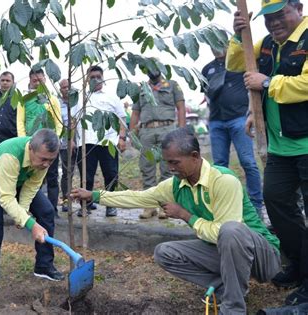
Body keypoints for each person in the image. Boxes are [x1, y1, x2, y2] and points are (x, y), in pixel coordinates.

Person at [70, 127, 281, 315]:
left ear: (195, 156)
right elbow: (139, 197)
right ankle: (226, 287)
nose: (170, 168)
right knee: (165, 253)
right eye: (167, 162)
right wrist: (96, 195)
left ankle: (233, 308)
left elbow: (222, 233)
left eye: (175, 162)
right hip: (226, 255)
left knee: (230, 230)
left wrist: (185, 215)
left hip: (262, 257)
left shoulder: (223, 181)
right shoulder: (175, 185)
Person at [228, 0, 308, 306]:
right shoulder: (268, 45)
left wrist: (268, 84)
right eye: (267, 18)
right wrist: (238, 36)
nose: (273, 22)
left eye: (280, 14)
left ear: (297, 7)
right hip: (281, 148)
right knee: (276, 204)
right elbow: (237, 64)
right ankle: (300, 267)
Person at [0, 128, 64, 291]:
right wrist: (30, 224)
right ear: (31, 148)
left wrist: (22, 214)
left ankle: (43, 266)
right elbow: (6, 198)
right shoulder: (10, 156)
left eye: (51, 161)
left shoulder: (44, 158)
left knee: (46, 211)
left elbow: (31, 186)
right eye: (44, 159)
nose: (46, 164)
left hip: (19, 180)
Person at [201, 44, 265, 220]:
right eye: (213, 43)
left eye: (221, 43)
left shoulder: (240, 63)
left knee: (248, 162)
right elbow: (206, 95)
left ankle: (255, 206)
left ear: (228, 45)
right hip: (216, 122)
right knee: (219, 166)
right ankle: (223, 206)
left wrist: (253, 113)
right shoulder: (207, 68)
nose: (217, 47)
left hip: (239, 118)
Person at [130, 67, 186, 219]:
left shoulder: (172, 85)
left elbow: (181, 108)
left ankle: (165, 206)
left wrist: (181, 131)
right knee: (146, 168)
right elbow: (135, 112)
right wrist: (132, 134)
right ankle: (149, 206)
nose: (152, 70)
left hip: (168, 129)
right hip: (146, 131)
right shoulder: (141, 89)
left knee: (168, 168)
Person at [73, 65, 127, 217]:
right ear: (86, 79)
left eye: (98, 76)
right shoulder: (80, 97)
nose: (95, 79)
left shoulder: (111, 96)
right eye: (92, 77)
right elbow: (73, 120)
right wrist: (71, 140)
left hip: (108, 142)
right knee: (86, 176)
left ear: (103, 78)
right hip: (86, 143)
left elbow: (122, 118)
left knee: (111, 174)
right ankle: (86, 205)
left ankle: (110, 205)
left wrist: (122, 138)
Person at [17, 69, 62, 216]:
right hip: (32, 148)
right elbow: (20, 122)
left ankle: (53, 209)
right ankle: (30, 209)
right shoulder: (24, 100)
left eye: (40, 80)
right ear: (30, 81)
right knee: (32, 179)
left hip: (50, 148)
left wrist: (55, 140)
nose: (38, 83)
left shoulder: (52, 99)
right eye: (35, 80)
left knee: (52, 177)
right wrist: (25, 141)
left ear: (45, 80)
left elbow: (59, 123)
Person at [58, 79, 77, 213]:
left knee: (82, 172)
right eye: (63, 87)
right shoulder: (57, 104)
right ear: (60, 90)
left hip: (81, 142)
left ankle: (85, 201)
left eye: (68, 87)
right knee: (67, 173)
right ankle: (66, 200)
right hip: (65, 143)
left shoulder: (78, 102)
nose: (66, 89)